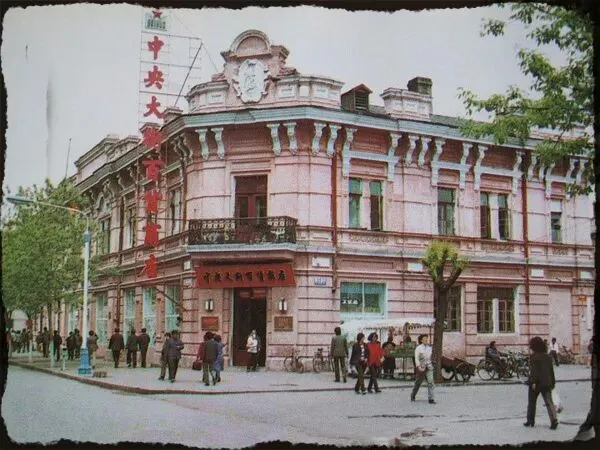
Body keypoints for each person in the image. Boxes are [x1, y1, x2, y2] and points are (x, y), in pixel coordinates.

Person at [524, 336, 558, 429]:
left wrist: (533, 382)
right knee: (549, 402)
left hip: (536, 383)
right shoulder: (548, 357)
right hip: (547, 383)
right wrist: (553, 382)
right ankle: (554, 420)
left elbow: (534, 371)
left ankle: (530, 420)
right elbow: (551, 371)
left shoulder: (534, 357)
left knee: (532, 402)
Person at [411, 334, 435, 404]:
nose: (426, 340)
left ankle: (431, 398)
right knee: (418, 382)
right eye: (424, 339)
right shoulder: (418, 348)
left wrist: (432, 362)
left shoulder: (429, 348)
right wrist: (418, 366)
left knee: (431, 382)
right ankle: (413, 395)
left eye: (426, 339)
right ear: (421, 340)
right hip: (421, 367)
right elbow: (416, 358)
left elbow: (431, 356)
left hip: (429, 366)